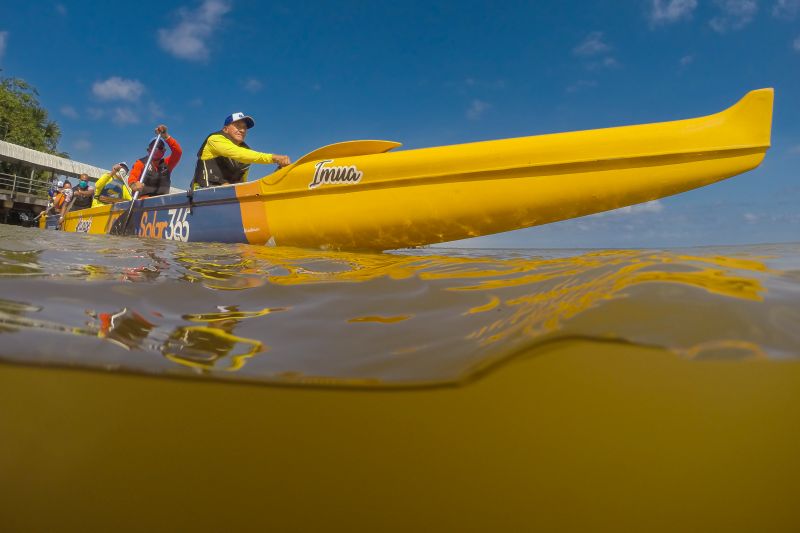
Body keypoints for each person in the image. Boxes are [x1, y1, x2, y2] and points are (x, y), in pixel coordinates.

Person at [192, 112, 291, 189]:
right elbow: (239, 154)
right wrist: (273, 158)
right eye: (238, 126)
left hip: (228, 198)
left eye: (244, 128)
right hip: (200, 195)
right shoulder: (215, 139)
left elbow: (242, 182)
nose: (242, 130)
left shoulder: (247, 152)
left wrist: (278, 172)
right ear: (225, 129)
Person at [128, 125, 182, 197]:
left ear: (164, 151)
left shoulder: (167, 163)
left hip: (162, 203)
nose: (156, 149)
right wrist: (133, 185)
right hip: (142, 203)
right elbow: (132, 177)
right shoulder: (140, 163)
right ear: (148, 150)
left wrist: (166, 136)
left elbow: (178, 152)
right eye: (153, 147)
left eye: (160, 147)